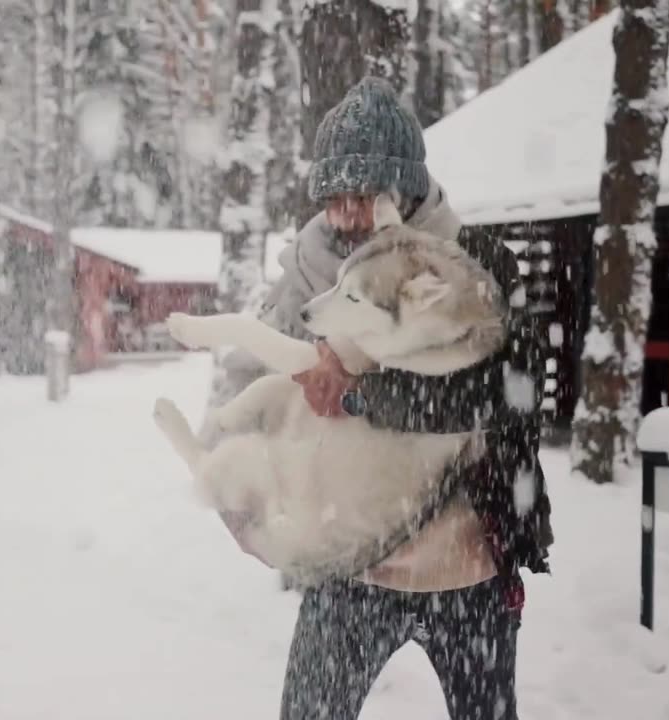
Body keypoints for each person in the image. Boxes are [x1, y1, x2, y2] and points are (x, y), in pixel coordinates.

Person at [207, 77, 554, 720]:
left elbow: (510, 393)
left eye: (361, 196)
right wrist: (232, 486)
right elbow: (253, 375)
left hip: (468, 567)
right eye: (333, 197)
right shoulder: (311, 275)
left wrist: (365, 395)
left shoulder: (476, 265)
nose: (343, 215)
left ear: (405, 189)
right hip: (350, 568)